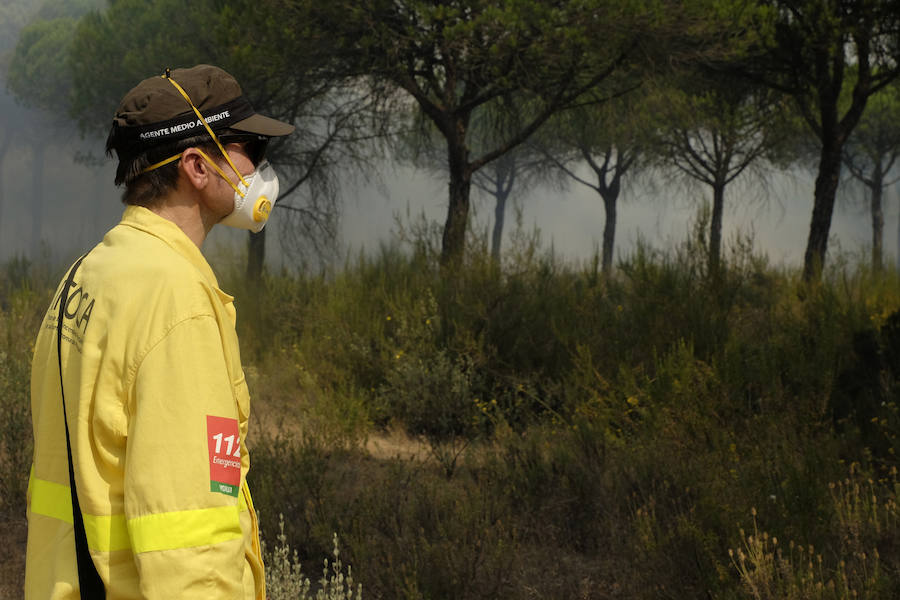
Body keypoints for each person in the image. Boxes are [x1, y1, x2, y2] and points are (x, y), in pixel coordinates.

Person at [25, 64, 294, 600]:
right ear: (196, 166)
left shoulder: (85, 275)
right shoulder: (176, 301)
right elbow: (191, 543)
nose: (259, 167)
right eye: (250, 149)